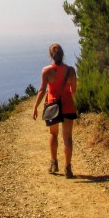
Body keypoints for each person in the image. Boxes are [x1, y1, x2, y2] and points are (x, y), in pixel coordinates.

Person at [32, 43, 78, 178]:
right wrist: (76, 106)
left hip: (53, 106)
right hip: (68, 105)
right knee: (68, 137)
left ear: (51, 56)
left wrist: (35, 107)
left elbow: (42, 90)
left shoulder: (46, 71)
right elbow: (73, 91)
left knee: (53, 134)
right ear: (62, 55)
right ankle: (68, 168)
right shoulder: (71, 70)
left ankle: (54, 163)